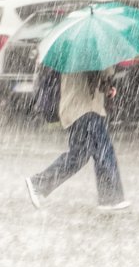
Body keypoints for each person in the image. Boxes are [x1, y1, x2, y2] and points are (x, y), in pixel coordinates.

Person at [25, 67, 129, 211]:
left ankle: (38, 183)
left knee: (78, 156)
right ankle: (111, 197)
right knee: (104, 150)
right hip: (84, 109)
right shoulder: (90, 53)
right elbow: (98, 76)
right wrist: (108, 81)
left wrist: (107, 87)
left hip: (74, 109)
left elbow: (95, 81)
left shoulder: (75, 55)